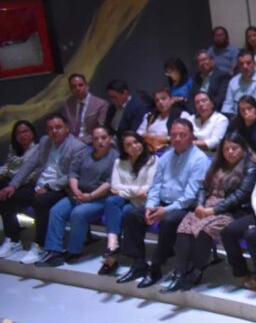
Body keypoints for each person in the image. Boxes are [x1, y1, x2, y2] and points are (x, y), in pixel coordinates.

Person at [115, 119, 209, 289]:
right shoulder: (166, 156)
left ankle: (156, 266)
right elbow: (156, 185)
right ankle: (139, 263)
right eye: (174, 135)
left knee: (169, 221)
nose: (177, 139)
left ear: (191, 136)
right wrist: (150, 205)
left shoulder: (199, 159)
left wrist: (165, 210)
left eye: (182, 135)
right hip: (162, 203)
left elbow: (189, 197)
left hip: (185, 207)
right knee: (132, 216)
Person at [162, 133, 256, 293]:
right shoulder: (217, 163)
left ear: (243, 149)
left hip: (232, 210)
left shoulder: (251, 167)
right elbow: (203, 187)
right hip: (207, 206)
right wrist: (200, 205)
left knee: (204, 230)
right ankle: (180, 271)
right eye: (226, 148)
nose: (230, 152)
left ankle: (197, 269)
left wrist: (213, 210)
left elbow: (240, 195)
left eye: (234, 148)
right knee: (185, 228)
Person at [0, 114, 88, 264]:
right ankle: (13, 239)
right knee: (7, 197)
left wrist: (48, 187)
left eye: (58, 127)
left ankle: (40, 245)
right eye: (50, 128)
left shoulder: (77, 147)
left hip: (62, 188)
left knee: (40, 202)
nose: (54, 131)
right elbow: (29, 165)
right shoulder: (45, 141)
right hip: (39, 183)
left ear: (67, 128)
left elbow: (71, 175)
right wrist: (13, 185)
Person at [34, 125, 119, 267]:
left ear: (110, 138)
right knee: (56, 211)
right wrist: (76, 191)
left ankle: (74, 250)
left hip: (100, 198)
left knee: (78, 213)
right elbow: (72, 173)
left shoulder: (115, 158)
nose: (100, 141)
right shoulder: (86, 153)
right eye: (96, 138)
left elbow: (109, 183)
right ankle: (54, 251)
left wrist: (90, 196)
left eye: (103, 138)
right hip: (77, 194)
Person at [97, 132, 156, 276]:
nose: (134, 146)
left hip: (142, 201)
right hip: (128, 198)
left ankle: (114, 258)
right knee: (111, 201)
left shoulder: (153, 160)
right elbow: (115, 185)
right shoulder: (119, 162)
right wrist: (135, 191)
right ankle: (112, 245)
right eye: (128, 145)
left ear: (141, 142)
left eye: (136, 142)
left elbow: (148, 187)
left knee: (125, 213)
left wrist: (124, 190)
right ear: (123, 149)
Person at [61, 74, 110, 146]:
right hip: (70, 144)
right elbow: (65, 126)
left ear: (87, 86)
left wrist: (80, 141)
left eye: (80, 85)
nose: (78, 88)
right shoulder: (67, 104)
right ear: (71, 89)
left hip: (92, 143)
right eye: (74, 87)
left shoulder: (101, 104)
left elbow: (101, 129)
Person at [222, 51, 256, 116]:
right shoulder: (233, 81)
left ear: (254, 64)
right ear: (238, 66)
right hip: (234, 117)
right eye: (241, 64)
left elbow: (253, 107)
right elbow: (228, 104)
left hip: (254, 117)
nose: (245, 66)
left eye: (248, 63)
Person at [141, 86, 189, 153]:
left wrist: (163, 139)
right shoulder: (150, 116)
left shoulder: (182, 115)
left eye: (163, 98)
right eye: (157, 100)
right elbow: (139, 134)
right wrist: (151, 138)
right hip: (149, 151)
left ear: (171, 100)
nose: (160, 102)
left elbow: (185, 137)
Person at [190, 90, 229, 154]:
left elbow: (214, 142)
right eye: (197, 102)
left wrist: (189, 142)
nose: (201, 104)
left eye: (204, 101)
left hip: (209, 155)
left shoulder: (221, 119)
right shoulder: (190, 119)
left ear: (212, 103)